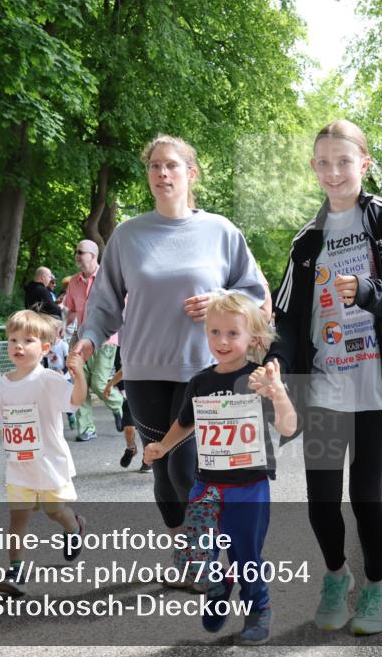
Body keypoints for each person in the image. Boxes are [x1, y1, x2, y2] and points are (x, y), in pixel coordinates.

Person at [264, 119, 382, 636]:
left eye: (343, 161)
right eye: (323, 162)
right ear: (313, 167)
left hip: (375, 387)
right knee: (320, 500)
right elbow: (287, 316)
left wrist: (366, 291)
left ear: (364, 163)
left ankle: (378, 586)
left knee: (366, 496)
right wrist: (275, 360)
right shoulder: (306, 240)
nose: (333, 172)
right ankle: (337, 576)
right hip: (323, 387)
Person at [71, 134, 267, 538]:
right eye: (154, 166)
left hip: (205, 368)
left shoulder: (220, 230)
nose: (162, 173)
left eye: (172, 165)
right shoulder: (128, 235)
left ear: (191, 174)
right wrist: (89, 339)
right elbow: (105, 302)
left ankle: (206, 551)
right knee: (161, 468)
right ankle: (186, 552)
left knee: (185, 467)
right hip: (144, 370)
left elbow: (254, 292)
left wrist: (221, 299)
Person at [144, 292, 296, 644]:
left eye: (232, 333)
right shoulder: (200, 382)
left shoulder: (258, 379)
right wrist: (163, 446)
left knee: (245, 555)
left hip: (249, 485)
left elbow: (288, 427)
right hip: (207, 484)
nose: (222, 341)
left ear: (253, 338)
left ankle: (258, 608)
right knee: (195, 550)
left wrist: (278, 393)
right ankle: (217, 585)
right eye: (215, 332)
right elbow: (186, 421)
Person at [0, 310, 88, 597]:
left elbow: (75, 400)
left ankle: (75, 527)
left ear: (45, 348)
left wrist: (79, 374)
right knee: (18, 518)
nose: (18, 346)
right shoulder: (4, 383)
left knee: (54, 511)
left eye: (27, 340)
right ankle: (16, 571)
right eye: (13, 340)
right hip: (19, 467)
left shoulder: (48, 379)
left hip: (48, 464)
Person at [63, 239, 124, 441]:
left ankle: (120, 406)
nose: (77, 255)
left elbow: (122, 307)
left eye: (81, 252)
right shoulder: (73, 282)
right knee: (80, 382)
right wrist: (62, 326)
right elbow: (72, 310)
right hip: (82, 339)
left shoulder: (108, 279)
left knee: (98, 382)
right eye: (76, 251)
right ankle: (87, 428)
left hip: (106, 339)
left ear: (93, 255)